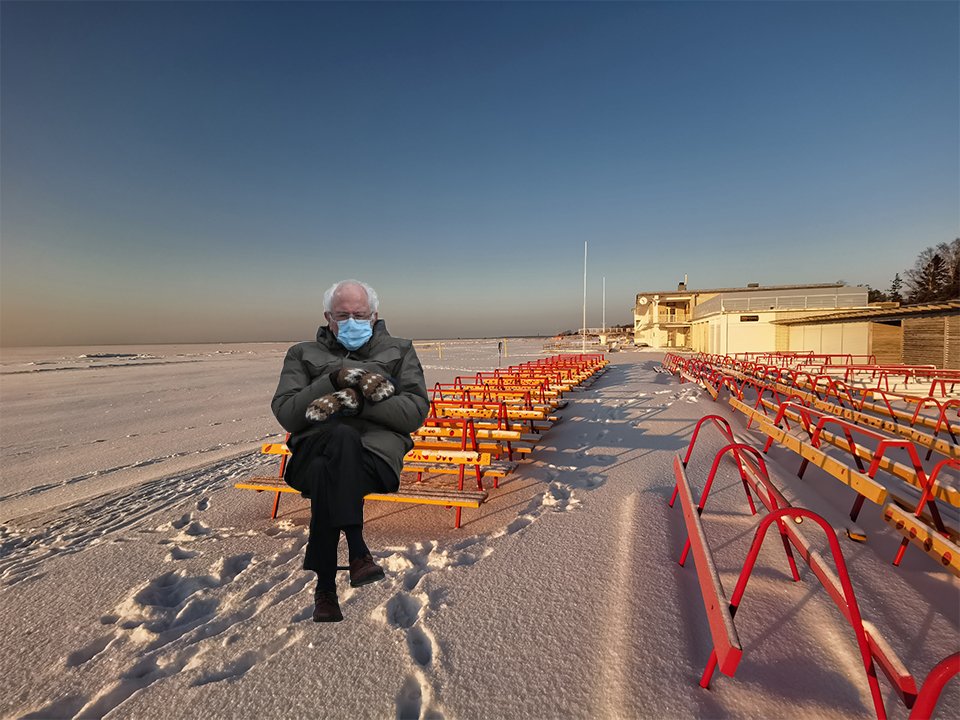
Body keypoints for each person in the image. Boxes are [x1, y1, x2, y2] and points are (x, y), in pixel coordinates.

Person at [271, 279, 429, 622]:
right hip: (312, 451)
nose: (352, 321)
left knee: (331, 459)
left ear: (374, 316)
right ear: (329, 317)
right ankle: (357, 551)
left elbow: (414, 412)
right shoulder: (302, 354)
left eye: (360, 314)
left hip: (374, 460)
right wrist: (333, 380)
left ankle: (325, 590)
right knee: (336, 443)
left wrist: (356, 403)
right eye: (343, 315)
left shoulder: (400, 350)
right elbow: (286, 412)